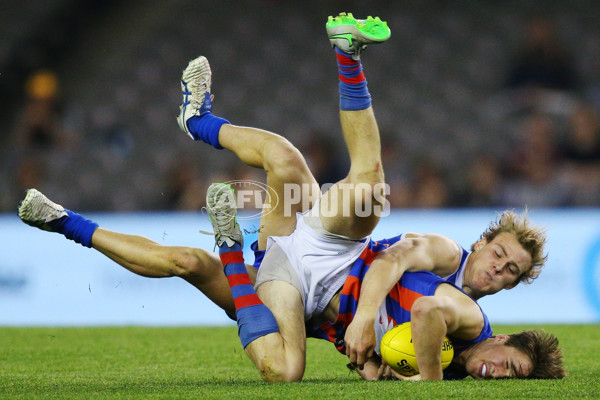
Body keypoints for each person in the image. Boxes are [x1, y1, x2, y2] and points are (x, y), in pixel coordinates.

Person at [18, 12, 562, 382]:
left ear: (513, 287)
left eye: (510, 271)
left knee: (215, 293)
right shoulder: (450, 273)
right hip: (334, 254)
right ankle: (208, 116)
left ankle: (63, 220)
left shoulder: (455, 340)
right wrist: (371, 326)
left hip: (298, 299)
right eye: (500, 255)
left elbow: (380, 359)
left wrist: (377, 368)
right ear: (485, 240)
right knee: (332, 173)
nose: (498, 270)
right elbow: (400, 273)